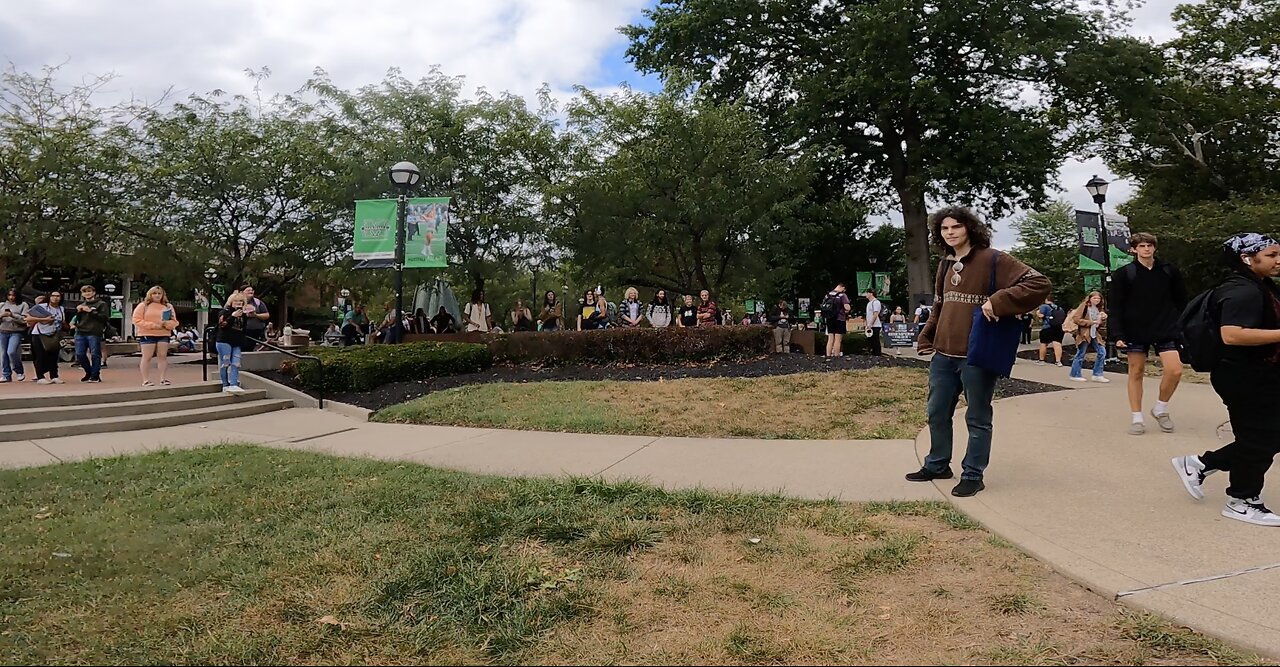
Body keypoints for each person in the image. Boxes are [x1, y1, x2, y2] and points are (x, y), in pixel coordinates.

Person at [906, 206, 1051, 497]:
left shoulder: (994, 258)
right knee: (936, 412)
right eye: (945, 229)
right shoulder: (946, 264)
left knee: (978, 417)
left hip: (976, 354)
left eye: (956, 227)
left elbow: (1039, 283)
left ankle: (973, 473)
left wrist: (997, 301)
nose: (950, 233)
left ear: (969, 228)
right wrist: (928, 336)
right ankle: (937, 464)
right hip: (944, 354)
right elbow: (939, 304)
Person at [1172, 234, 1280, 526]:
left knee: (1266, 437)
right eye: (1271, 255)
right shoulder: (1241, 291)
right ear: (1247, 258)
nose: (1277, 260)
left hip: (1260, 374)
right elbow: (1231, 334)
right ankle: (1242, 501)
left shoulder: (1259, 286)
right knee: (1259, 440)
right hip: (1243, 376)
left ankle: (1200, 464)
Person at [1109, 232, 1189, 436]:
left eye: (1150, 245)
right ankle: (1137, 417)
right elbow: (1116, 306)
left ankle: (1160, 408)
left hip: (1166, 327)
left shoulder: (1169, 271)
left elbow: (1181, 300)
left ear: (1155, 247)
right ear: (1134, 249)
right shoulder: (1124, 274)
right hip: (1134, 329)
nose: (1146, 249)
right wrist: (1117, 333)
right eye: (1142, 246)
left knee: (1175, 370)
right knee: (1136, 371)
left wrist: (1182, 324)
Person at [131, 286, 179, 386]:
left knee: (162, 356)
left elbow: (174, 321)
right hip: (147, 334)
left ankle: (163, 379)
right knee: (147, 357)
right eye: (154, 293)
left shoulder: (168, 306)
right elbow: (136, 320)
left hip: (163, 334)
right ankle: (145, 380)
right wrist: (154, 326)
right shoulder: (143, 306)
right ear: (150, 294)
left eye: (159, 293)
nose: (157, 295)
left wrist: (167, 324)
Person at [1067, 291, 1110, 383]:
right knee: (1081, 353)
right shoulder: (1084, 306)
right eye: (1095, 298)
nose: (1097, 300)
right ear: (1090, 298)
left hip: (1095, 333)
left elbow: (1099, 324)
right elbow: (1076, 319)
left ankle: (1097, 374)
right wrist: (1090, 322)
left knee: (1102, 352)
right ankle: (1075, 374)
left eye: (1098, 298)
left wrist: (1103, 318)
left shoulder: (1098, 308)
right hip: (1084, 334)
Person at [72, 284, 110, 383]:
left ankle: (95, 375)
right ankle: (89, 372)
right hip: (80, 331)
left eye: (89, 291)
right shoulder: (82, 304)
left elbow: (104, 318)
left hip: (94, 331)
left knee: (95, 354)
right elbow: (77, 319)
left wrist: (91, 311)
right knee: (79, 354)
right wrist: (78, 313)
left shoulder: (101, 304)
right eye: (84, 292)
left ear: (94, 292)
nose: (87, 293)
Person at [25, 291, 65, 384]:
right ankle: (40, 377)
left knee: (54, 355)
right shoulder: (42, 307)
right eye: (53, 296)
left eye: (58, 296)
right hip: (39, 334)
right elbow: (28, 318)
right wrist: (45, 319)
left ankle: (54, 375)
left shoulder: (61, 309)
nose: (55, 298)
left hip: (54, 334)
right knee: (40, 356)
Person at [215, 291, 249, 394]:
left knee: (236, 363)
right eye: (236, 301)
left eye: (241, 301)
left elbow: (243, 330)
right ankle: (225, 385)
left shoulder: (243, 316)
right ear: (231, 302)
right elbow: (222, 325)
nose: (238, 303)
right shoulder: (224, 312)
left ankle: (233, 384)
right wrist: (232, 316)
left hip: (236, 342)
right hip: (224, 340)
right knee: (225, 363)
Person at [0, 288, 29, 382]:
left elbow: (25, 320)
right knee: (3, 354)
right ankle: (6, 374)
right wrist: (2, 315)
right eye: (9, 295)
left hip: (16, 331)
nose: (11, 297)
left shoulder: (23, 305)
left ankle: (19, 370)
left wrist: (13, 315)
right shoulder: (2, 305)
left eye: (13, 295)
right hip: (3, 331)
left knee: (11, 352)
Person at [822, 283, 851, 357]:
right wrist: (846, 311)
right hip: (839, 319)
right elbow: (847, 307)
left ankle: (828, 355)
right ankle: (836, 355)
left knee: (830, 338)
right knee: (838, 339)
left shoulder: (827, 295)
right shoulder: (842, 295)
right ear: (843, 288)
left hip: (829, 319)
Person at [1036, 296, 1066, 366]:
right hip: (1058, 328)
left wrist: (1037, 313)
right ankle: (1058, 361)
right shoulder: (1059, 308)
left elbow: (1041, 315)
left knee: (1044, 343)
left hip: (1047, 327)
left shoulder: (1044, 306)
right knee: (1057, 344)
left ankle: (1041, 360)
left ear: (1046, 299)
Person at [864, 289, 884, 356]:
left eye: (867, 293)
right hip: (870, 325)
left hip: (875, 325)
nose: (866, 295)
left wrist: (871, 324)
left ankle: (878, 354)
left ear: (871, 293)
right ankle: (872, 354)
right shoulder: (869, 303)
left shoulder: (876, 302)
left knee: (875, 341)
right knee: (871, 341)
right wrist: (867, 324)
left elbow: (875, 314)